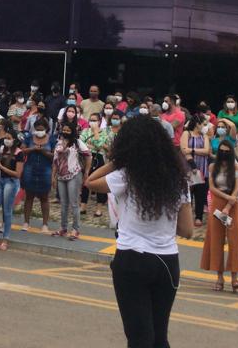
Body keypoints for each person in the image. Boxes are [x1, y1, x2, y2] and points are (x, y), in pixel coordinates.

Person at [84, 115, 193, 348]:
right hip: (167, 261)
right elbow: (188, 230)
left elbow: (91, 181)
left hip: (132, 258)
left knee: (139, 338)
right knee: (159, 336)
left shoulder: (126, 175)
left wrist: (118, 160)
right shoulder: (179, 180)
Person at [201, 142, 238, 292]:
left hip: (232, 205)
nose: (224, 154)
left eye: (227, 151)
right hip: (218, 203)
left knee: (235, 239)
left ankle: (234, 276)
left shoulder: (237, 167)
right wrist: (226, 199)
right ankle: (219, 276)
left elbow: (237, 188)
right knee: (216, 239)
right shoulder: (213, 167)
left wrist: (229, 205)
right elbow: (212, 187)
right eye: (222, 151)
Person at [0, 123, 22, 250]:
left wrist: (2, 167)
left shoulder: (19, 153)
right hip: (0, 181)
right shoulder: (2, 149)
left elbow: (17, 174)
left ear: (14, 140)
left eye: (9, 138)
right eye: (5, 138)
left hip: (11, 183)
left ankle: (5, 239)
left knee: (7, 211)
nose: (6, 140)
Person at [52, 121, 91, 240]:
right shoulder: (58, 142)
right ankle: (63, 228)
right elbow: (55, 160)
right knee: (63, 203)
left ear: (73, 131)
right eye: (64, 130)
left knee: (74, 203)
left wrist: (86, 172)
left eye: (68, 130)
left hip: (74, 174)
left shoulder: (78, 143)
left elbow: (88, 155)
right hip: (61, 176)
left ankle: (75, 229)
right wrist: (53, 176)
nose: (65, 132)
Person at [20, 117, 54, 234]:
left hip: (45, 170)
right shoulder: (29, 137)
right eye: (37, 129)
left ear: (46, 129)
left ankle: (45, 224)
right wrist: (33, 149)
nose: (39, 131)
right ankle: (26, 222)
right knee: (29, 197)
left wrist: (43, 151)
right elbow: (22, 150)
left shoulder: (52, 139)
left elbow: (55, 155)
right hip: (30, 168)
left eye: (41, 129)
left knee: (44, 198)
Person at [181, 114, 212, 227]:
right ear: (197, 124)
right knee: (188, 194)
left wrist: (192, 150)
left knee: (200, 194)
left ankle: (198, 217)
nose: (206, 127)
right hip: (189, 169)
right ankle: (186, 217)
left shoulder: (205, 136)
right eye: (204, 124)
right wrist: (194, 151)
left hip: (202, 170)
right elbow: (184, 150)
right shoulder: (186, 133)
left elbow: (206, 151)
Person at [81, 112, 114, 218]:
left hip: (98, 159)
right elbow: (81, 143)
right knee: (85, 181)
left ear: (100, 121)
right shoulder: (85, 131)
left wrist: (96, 133)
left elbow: (100, 145)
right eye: (91, 120)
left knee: (99, 182)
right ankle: (83, 206)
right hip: (86, 157)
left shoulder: (104, 133)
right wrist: (93, 144)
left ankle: (99, 208)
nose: (92, 122)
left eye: (95, 120)